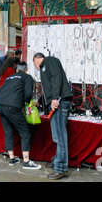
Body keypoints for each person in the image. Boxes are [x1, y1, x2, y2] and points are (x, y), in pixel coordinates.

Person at [33, 52, 72, 180]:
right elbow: (48, 88)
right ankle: (57, 161)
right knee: (57, 135)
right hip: (56, 102)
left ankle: (61, 168)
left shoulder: (49, 61)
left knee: (60, 136)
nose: (35, 67)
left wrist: (54, 98)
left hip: (59, 102)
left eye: (34, 64)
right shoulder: (45, 67)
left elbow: (56, 78)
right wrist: (39, 102)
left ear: (36, 60)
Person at [0, 61, 41, 170]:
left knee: (8, 132)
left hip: (0, 105)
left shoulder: (10, 77)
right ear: (26, 70)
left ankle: (12, 158)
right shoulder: (27, 77)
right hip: (12, 107)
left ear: (17, 69)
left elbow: (1, 90)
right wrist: (26, 103)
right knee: (25, 132)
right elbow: (28, 94)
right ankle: (26, 161)